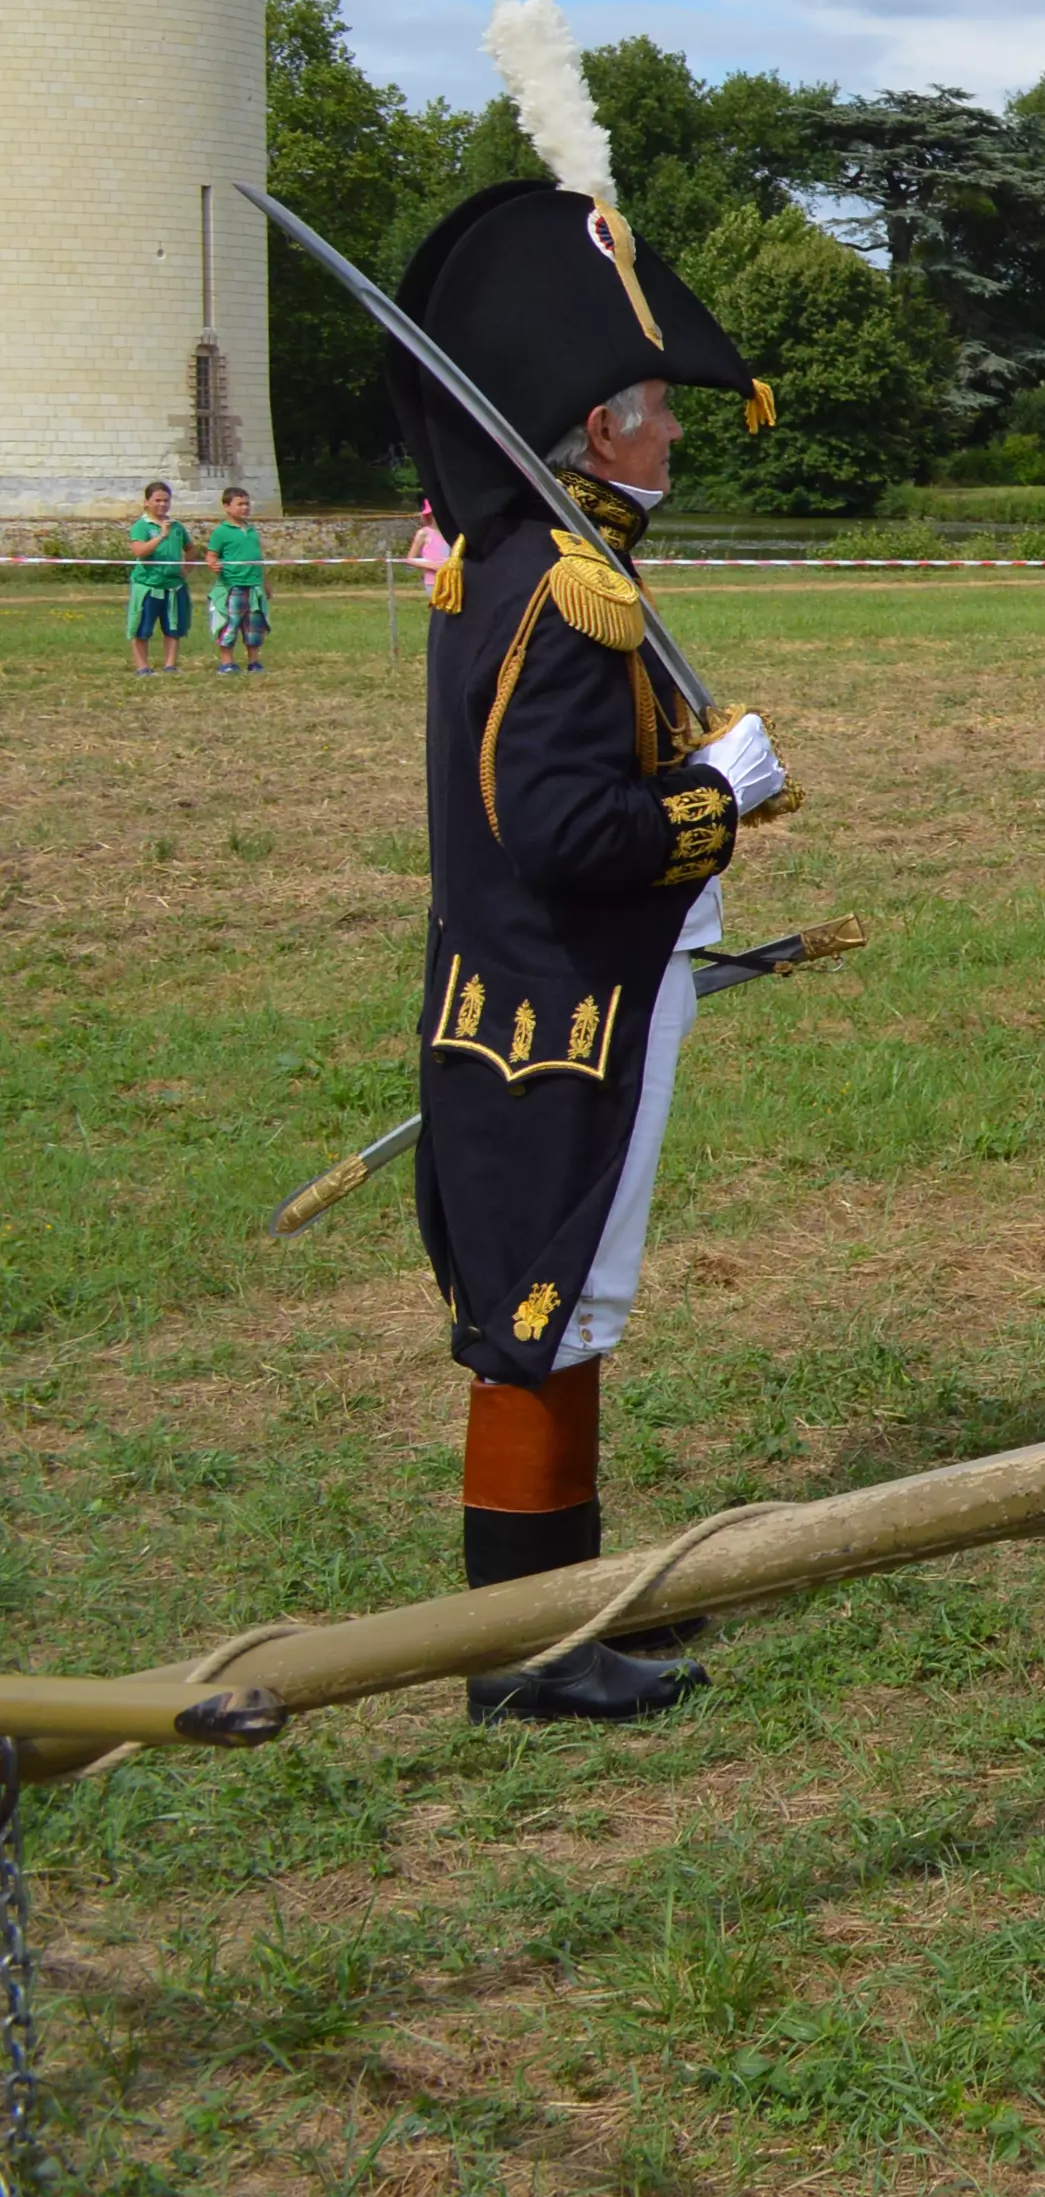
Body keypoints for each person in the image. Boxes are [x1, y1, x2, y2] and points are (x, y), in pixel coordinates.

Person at [391, 166, 788, 1728]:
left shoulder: (522, 564)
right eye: (656, 411)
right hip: (568, 1008)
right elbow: (564, 836)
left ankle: (553, 1610)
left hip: (533, 999)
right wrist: (713, 794)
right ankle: (534, 1649)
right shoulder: (567, 592)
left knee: (550, 1309)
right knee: (554, 1309)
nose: (679, 430)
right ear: (597, 433)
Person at [125, 480, 193, 673]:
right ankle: (143, 667)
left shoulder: (177, 527)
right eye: (158, 500)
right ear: (147, 502)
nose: (162, 504)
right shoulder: (141, 526)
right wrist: (161, 536)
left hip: (173, 585)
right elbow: (139, 551)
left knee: (173, 627)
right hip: (148, 585)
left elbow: (191, 548)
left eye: (166, 500)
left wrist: (186, 568)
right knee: (142, 628)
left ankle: (170, 665)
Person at [205, 485, 270, 673]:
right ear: (226, 506)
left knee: (254, 627)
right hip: (233, 586)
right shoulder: (221, 532)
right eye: (240, 504)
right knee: (230, 625)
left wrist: (265, 582)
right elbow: (211, 555)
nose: (245, 508)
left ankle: (254, 661)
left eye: (247, 504)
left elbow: (258, 559)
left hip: (254, 586)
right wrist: (213, 564)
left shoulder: (252, 531)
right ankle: (227, 663)